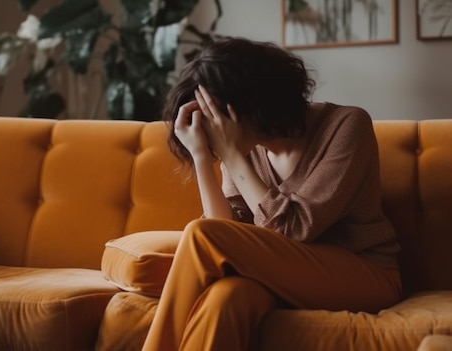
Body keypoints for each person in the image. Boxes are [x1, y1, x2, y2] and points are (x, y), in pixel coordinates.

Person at [141, 37, 402, 351]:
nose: (212, 132)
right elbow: (227, 229)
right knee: (225, 299)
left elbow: (294, 229)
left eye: (214, 120)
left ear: (250, 104)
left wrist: (232, 154)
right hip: (283, 276)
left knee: (198, 233)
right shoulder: (244, 152)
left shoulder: (347, 125)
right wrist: (201, 156)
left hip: (365, 275)